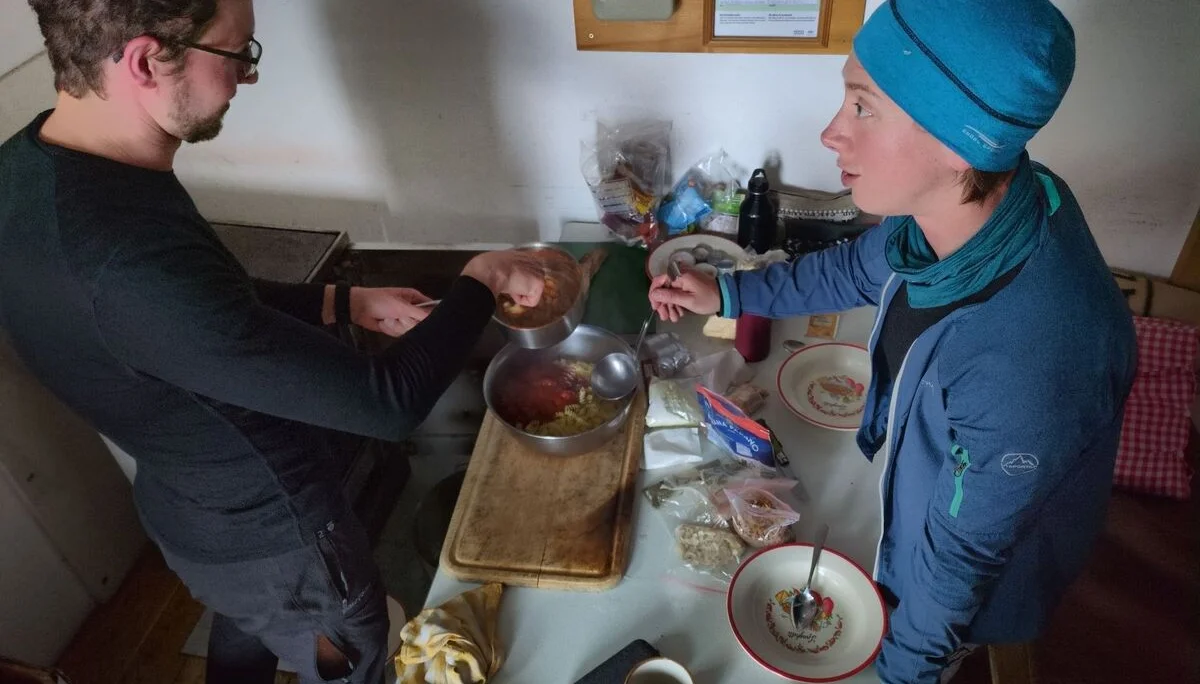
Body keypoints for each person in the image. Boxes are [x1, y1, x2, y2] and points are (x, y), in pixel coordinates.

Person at [0, 1, 544, 682]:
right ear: (144, 60)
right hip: (283, 541)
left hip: (191, 513)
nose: (246, 79)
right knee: (354, 662)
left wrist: (341, 300)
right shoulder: (124, 262)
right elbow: (388, 403)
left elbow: (205, 306)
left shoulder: (31, 171)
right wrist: (481, 280)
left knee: (250, 627)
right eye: (237, 54)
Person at [649, 1, 1136, 682]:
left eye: (862, 107)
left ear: (959, 140)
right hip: (933, 497)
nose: (830, 133)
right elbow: (858, 266)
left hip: (975, 584)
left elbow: (960, 567)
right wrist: (731, 292)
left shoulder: (1030, 362)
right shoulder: (984, 200)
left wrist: (902, 674)